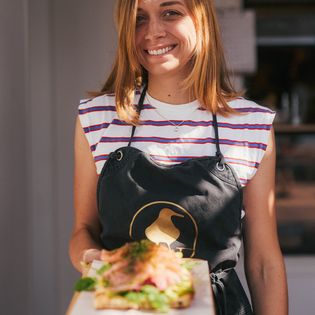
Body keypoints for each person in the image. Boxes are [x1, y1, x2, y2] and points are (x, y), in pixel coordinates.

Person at [69, 0, 288, 314]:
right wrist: (96, 260)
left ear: (202, 20)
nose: (153, 32)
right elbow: (82, 231)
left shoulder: (251, 125)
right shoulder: (98, 118)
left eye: (171, 12)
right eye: (139, 18)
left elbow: (264, 264)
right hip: (125, 305)